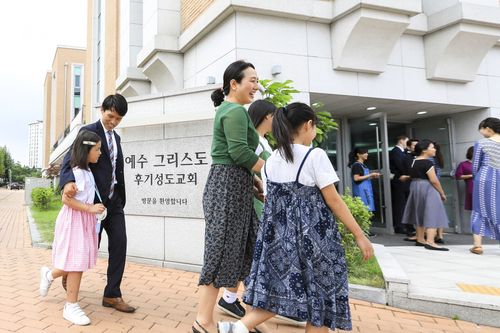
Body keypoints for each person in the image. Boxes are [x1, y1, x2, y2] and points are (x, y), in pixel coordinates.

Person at [217, 102, 374, 333]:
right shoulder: (314, 156)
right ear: (308, 125)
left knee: (282, 295)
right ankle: (237, 329)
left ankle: (238, 328)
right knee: (319, 301)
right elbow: (334, 201)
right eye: (315, 127)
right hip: (315, 241)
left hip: (280, 242)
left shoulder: (271, 161)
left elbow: (272, 203)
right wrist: (360, 235)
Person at [193, 60, 265, 333]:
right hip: (227, 188)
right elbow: (238, 153)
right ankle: (203, 320)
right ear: (234, 83)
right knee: (222, 252)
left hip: (235, 186)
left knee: (249, 251)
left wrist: (254, 179)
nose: (256, 86)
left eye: (257, 81)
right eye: (252, 80)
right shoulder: (234, 111)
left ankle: (253, 320)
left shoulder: (232, 109)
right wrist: (270, 169)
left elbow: (238, 157)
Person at [59, 94, 136, 313]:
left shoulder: (117, 138)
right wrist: (68, 182)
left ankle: (112, 294)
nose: (113, 122)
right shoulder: (88, 131)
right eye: (111, 116)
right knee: (87, 246)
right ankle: (69, 274)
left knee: (120, 243)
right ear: (102, 109)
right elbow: (69, 160)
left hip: (114, 202)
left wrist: (118, 196)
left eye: (118, 119)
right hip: (93, 205)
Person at [216, 99, 276, 324]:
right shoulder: (256, 142)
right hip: (257, 204)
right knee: (252, 254)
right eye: (275, 116)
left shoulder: (263, 141)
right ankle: (252, 303)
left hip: (259, 200)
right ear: (267, 116)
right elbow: (247, 164)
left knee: (247, 253)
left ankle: (231, 297)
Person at [39, 130, 106, 325]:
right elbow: (65, 200)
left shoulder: (87, 172)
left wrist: (96, 210)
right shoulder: (77, 173)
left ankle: (49, 275)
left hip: (83, 222)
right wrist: (89, 208)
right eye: (97, 149)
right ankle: (71, 306)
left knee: (78, 261)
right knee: (76, 263)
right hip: (73, 221)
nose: (100, 153)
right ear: (86, 151)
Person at [402, 139, 449, 251]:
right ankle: (430, 242)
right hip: (428, 188)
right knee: (433, 213)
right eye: (432, 147)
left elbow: (413, 175)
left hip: (415, 187)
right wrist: (442, 193)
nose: (434, 149)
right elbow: (434, 180)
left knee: (420, 213)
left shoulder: (414, 161)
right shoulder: (428, 162)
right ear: (424, 150)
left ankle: (420, 239)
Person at [470, 117, 500, 255]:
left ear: (489, 128)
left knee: (479, 209)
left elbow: (475, 165)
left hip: (485, 178)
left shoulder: (481, 143)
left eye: (481, 129)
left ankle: (478, 246)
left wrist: (475, 177)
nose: (481, 132)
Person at [348, 147, 380, 212]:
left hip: (365, 192)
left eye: (367, 153)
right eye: (365, 153)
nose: (367, 154)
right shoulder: (357, 165)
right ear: (358, 154)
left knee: (367, 212)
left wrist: (372, 176)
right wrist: (370, 175)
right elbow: (356, 178)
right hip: (362, 193)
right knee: (364, 212)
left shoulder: (362, 165)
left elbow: (362, 177)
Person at [389, 135, 410, 234]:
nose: (408, 143)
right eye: (407, 141)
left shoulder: (403, 152)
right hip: (399, 181)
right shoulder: (395, 151)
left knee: (404, 203)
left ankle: (404, 224)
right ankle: (399, 226)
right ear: (401, 141)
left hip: (404, 181)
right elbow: (400, 165)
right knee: (399, 204)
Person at [455, 146, 474, 211]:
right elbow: (458, 176)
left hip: (483, 188)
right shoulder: (463, 164)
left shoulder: (482, 164)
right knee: (475, 210)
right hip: (471, 189)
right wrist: (471, 175)